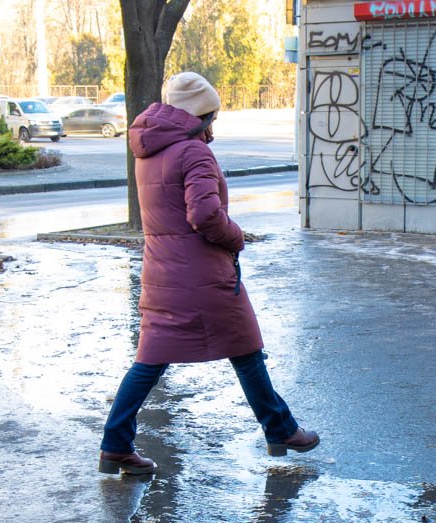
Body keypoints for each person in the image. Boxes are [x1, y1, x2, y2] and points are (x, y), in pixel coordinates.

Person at [98, 72, 319, 475]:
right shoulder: (193, 153)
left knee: (151, 359)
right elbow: (204, 215)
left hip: (161, 272)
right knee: (246, 348)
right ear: (202, 114)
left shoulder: (148, 150)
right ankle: (281, 430)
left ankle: (115, 444)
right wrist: (236, 237)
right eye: (212, 115)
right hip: (201, 275)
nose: (214, 124)